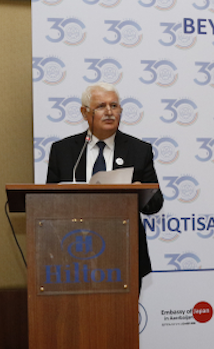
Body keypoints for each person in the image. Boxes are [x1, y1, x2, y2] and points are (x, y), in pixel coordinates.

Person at [46, 82, 164, 286]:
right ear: (85, 113)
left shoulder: (139, 150)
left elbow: (156, 205)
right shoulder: (63, 151)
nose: (109, 112)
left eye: (114, 106)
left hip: (123, 252)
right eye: (101, 106)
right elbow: (48, 204)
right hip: (72, 253)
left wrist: (140, 192)